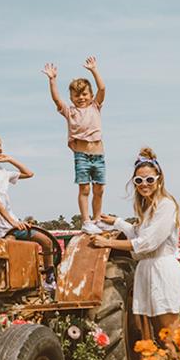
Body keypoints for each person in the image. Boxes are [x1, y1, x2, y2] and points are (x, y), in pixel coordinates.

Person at [90, 147, 180, 346]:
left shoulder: (166, 205)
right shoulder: (148, 207)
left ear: (159, 179)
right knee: (158, 334)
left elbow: (146, 244)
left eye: (149, 179)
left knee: (170, 335)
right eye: (139, 180)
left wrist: (107, 242)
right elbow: (139, 233)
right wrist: (116, 222)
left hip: (162, 270)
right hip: (148, 270)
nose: (144, 184)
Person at [0, 133, 55, 283]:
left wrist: (11, 159)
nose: (0, 148)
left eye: (0, 145)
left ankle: (49, 278)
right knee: (12, 254)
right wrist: (13, 222)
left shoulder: (3, 172)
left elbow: (29, 173)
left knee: (47, 241)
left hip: (13, 223)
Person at [42, 56, 108, 234]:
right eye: (76, 95)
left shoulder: (95, 106)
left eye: (84, 94)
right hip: (81, 155)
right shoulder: (70, 111)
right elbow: (56, 100)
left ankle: (97, 219)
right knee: (85, 188)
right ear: (71, 97)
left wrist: (94, 70)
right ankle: (86, 221)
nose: (81, 98)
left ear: (91, 95)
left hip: (98, 155)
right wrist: (52, 80)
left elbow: (102, 88)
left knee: (99, 189)